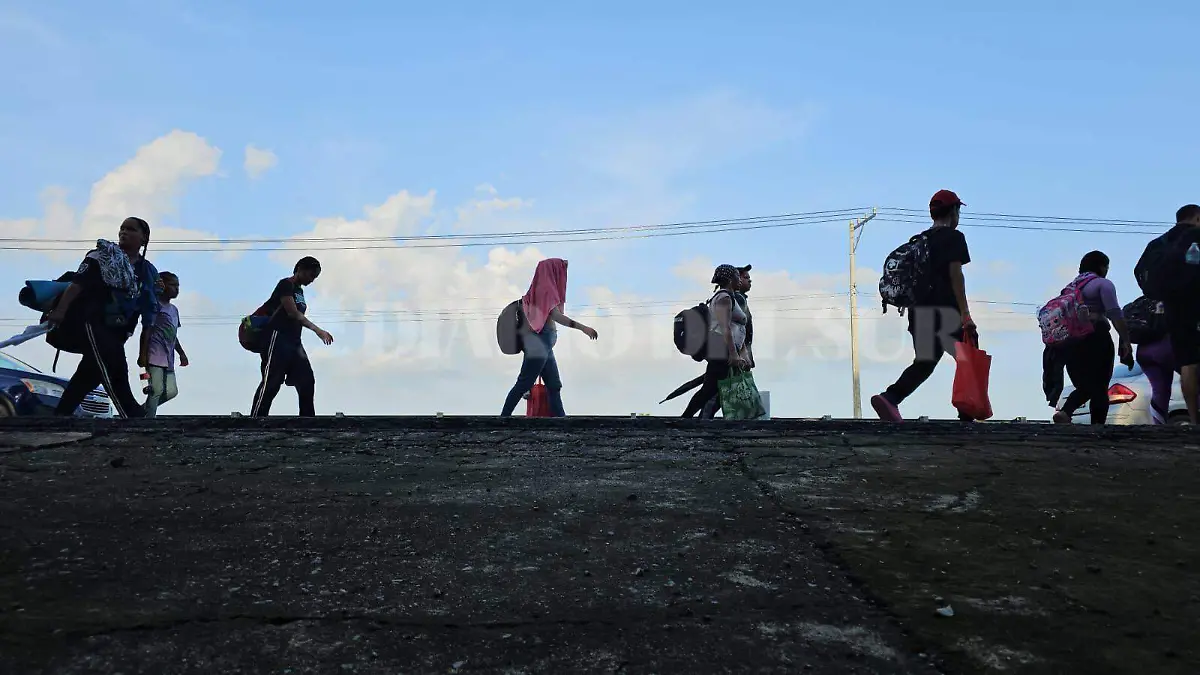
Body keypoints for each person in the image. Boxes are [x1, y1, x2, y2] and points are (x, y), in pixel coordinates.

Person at [871, 189, 975, 422]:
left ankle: (890, 397)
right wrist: (966, 315)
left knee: (925, 361)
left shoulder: (920, 241)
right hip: (946, 311)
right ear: (954, 211)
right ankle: (968, 412)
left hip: (919, 314)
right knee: (968, 356)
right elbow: (955, 275)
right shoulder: (953, 238)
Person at [45, 217, 160, 418]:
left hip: (120, 330)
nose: (124, 232)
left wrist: (144, 350)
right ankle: (132, 414)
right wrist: (60, 311)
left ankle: (60, 415)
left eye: (131, 229)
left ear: (144, 238)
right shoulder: (100, 256)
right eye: (122, 229)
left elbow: (149, 310)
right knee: (115, 366)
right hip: (92, 321)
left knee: (90, 373)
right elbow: (76, 285)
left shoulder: (147, 271)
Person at [500, 258, 598, 417]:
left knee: (553, 384)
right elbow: (556, 316)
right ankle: (503, 418)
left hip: (543, 344)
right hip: (539, 343)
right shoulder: (546, 289)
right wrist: (583, 328)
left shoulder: (538, 288)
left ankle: (561, 420)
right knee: (524, 382)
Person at [1051, 251, 1135, 424]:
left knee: (1085, 385)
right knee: (1100, 385)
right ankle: (1097, 428)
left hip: (1071, 341)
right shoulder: (1102, 284)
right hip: (1096, 337)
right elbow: (1114, 313)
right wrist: (1125, 339)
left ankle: (1066, 412)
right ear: (1102, 267)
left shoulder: (1069, 288)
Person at [250, 256, 334, 417]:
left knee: (307, 381)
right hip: (277, 338)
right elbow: (293, 313)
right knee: (272, 382)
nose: (312, 280)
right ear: (300, 269)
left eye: (315, 277)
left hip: (294, 341)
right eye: (311, 275)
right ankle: (256, 420)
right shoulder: (285, 284)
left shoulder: (299, 291)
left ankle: (307, 422)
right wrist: (318, 331)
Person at [682, 264, 751, 417]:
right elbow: (725, 327)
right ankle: (688, 418)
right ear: (729, 279)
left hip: (722, 347)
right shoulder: (723, 298)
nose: (738, 279)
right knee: (711, 388)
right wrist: (733, 354)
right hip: (719, 346)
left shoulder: (728, 296)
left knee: (714, 388)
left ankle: (692, 418)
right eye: (735, 276)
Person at [1158, 204, 1200, 423]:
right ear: (1197, 218)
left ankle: (1194, 419)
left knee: (1188, 362)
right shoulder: (1195, 237)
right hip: (1195, 306)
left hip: (1173, 309)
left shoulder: (1160, 242)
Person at [142, 271, 188, 417]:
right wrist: (142, 354)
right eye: (173, 285)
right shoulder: (155, 306)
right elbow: (147, 330)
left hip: (168, 357)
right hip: (154, 354)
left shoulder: (174, 310)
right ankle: (148, 420)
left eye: (178, 286)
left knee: (171, 391)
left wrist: (181, 353)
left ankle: (140, 411)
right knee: (156, 389)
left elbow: (173, 334)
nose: (177, 289)